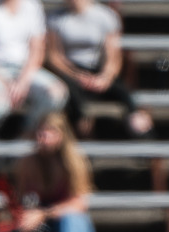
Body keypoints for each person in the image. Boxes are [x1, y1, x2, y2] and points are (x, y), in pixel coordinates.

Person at [0, 112, 94, 232]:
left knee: (70, 220)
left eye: (50, 131)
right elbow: (20, 199)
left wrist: (43, 214)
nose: (43, 136)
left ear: (62, 135)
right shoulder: (27, 163)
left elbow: (79, 204)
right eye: (41, 131)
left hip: (69, 225)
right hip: (40, 226)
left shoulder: (74, 162)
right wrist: (24, 218)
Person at [48, 0, 151, 138]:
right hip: (69, 72)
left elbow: (113, 56)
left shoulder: (105, 16)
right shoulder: (55, 18)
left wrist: (105, 77)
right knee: (69, 93)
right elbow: (54, 57)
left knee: (123, 92)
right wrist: (76, 75)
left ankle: (140, 126)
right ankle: (82, 124)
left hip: (96, 69)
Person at [0, 0, 67, 137]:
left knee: (57, 93)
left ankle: (26, 134)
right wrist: (5, 82)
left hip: (24, 69)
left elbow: (37, 50)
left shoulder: (32, 5)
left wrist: (22, 82)